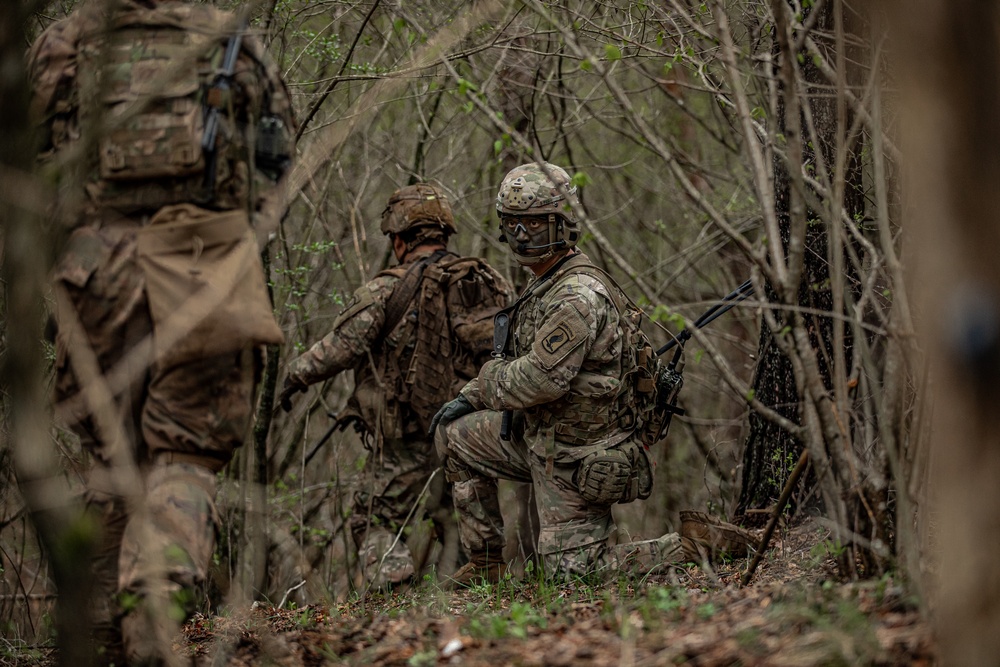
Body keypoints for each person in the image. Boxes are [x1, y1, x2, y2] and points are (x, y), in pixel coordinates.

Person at [28, 0, 296, 662]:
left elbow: (24, 157)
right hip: (200, 260)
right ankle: (151, 611)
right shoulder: (227, 34)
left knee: (115, 463)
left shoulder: (68, 39)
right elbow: (276, 152)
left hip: (94, 272)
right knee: (183, 453)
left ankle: (93, 636)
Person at [431, 162, 757, 585]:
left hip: (578, 456)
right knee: (454, 434)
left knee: (574, 577)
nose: (521, 236)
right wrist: (472, 395)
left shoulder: (576, 294)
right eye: (512, 225)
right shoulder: (545, 281)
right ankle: (486, 563)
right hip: (541, 437)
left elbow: (538, 379)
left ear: (562, 224)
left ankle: (692, 546)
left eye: (534, 225)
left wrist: (487, 380)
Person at [280, 183, 513, 589]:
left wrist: (293, 375)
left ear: (401, 239)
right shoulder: (482, 282)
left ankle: (396, 594)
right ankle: (473, 599)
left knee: (373, 518)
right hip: (470, 430)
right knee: (454, 517)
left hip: (405, 433)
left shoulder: (385, 289)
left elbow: (340, 347)